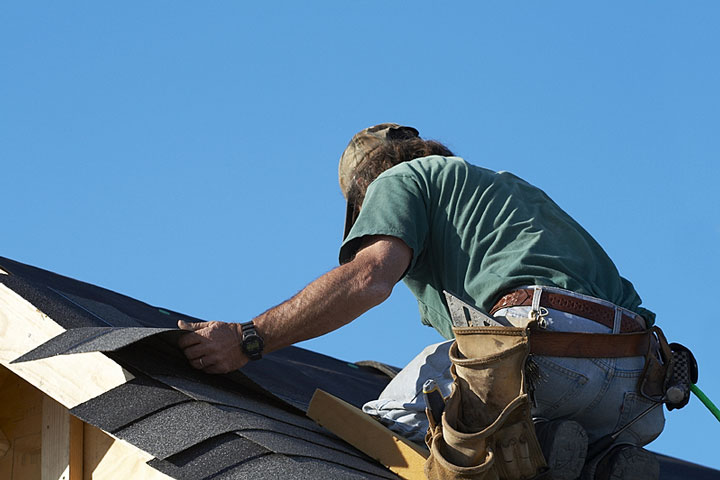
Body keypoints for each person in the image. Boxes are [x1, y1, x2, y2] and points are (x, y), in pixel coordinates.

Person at [178, 124, 664, 480]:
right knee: (540, 452)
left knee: (391, 423)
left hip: (542, 348)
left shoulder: (399, 180)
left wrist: (248, 339)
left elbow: (369, 278)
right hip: (637, 392)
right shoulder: (509, 195)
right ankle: (588, 458)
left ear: (366, 193)